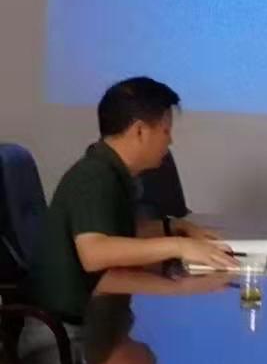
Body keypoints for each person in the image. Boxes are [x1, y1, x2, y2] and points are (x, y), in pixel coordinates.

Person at [27, 77, 237, 322]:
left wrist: (178, 227)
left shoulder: (112, 171)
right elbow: (95, 252)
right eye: (165, 131)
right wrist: (180, 247)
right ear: (139, 131)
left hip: (95, 314)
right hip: (65, 329)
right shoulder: (94, 177)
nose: (170, 141)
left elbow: (120, 233)